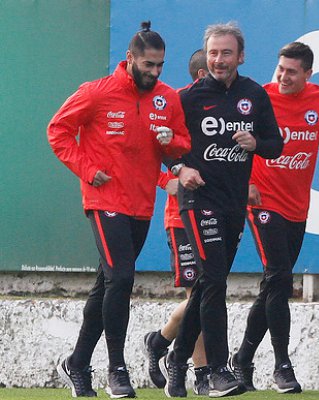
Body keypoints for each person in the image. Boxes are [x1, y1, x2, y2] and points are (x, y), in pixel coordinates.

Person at [48, 21, 191, 398]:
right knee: (122, 278)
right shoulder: (96, 92)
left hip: (141, 204)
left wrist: (171, 141)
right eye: (148, 65)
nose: (155, 72)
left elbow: (179, 146)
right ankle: (117, 369)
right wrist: (87, 169)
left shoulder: (168, 98)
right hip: (104, 201)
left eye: (160, 65)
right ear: (130, 59)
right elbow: (58, 131)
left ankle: (77, 362)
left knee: (107, 284)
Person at [159, 22, 283, 398]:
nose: (218, 59)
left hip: (233, 204)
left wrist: (255, 141)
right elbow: (161, 142)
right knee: (214, 281)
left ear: (240, 56)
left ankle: (176, 362)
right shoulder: (189, 97)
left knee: (206, 285)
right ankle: (217, 369)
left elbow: (276, 144)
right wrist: (181, 169)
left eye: (226, 52)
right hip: (198, 202)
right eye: (213, 52)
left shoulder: (254, 95)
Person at [229, 41, 319, 394]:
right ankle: (282, 365)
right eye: (280, 68)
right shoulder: (260, 97)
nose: (283, 76)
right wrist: (249, 182)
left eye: (292, 72)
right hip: (262, 201)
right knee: (280, 279)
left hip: (297, 207)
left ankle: (243, 358)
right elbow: (240, 143)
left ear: (308, 75)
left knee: (274, 284)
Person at [143, 48, 209, 396]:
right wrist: (164, 180)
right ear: (202, 74)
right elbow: (144, 152)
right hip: (181, 215)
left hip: (212, 212)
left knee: (205, 292)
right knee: (199, 292)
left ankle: (160, 341)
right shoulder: (174, 104)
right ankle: (199, 371)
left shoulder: (224, 110)